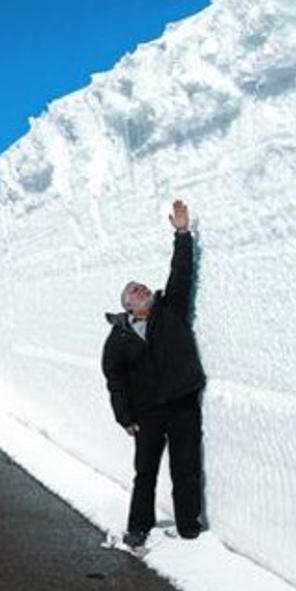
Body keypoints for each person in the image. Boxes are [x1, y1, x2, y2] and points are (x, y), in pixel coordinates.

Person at [101, 199, 207, 548]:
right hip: (146, 412)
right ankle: (138, 526)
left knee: (185, 467)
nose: (141, 289)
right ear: (127, 306)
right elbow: (114, 381)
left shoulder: (170, 310)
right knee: (145, 472)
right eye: (134, 291)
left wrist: (182, 233)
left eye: (143, 287)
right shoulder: (118, 337)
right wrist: (124, 417)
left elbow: (181, 272)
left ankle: (189, 526)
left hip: (182, 402)